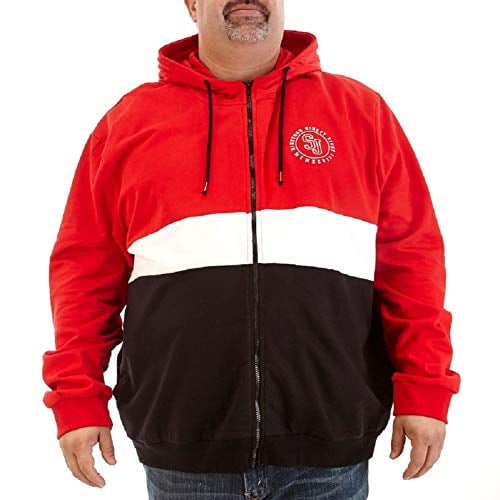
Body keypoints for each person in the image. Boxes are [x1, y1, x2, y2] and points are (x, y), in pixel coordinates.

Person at [41, 0, 461, 498]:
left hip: (329, 447)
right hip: (185, 451)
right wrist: (78, 396)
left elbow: (411, 261)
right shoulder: (129, 123)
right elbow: (84, 272)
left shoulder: (360, 113)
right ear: (192, 5)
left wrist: (425, 386)